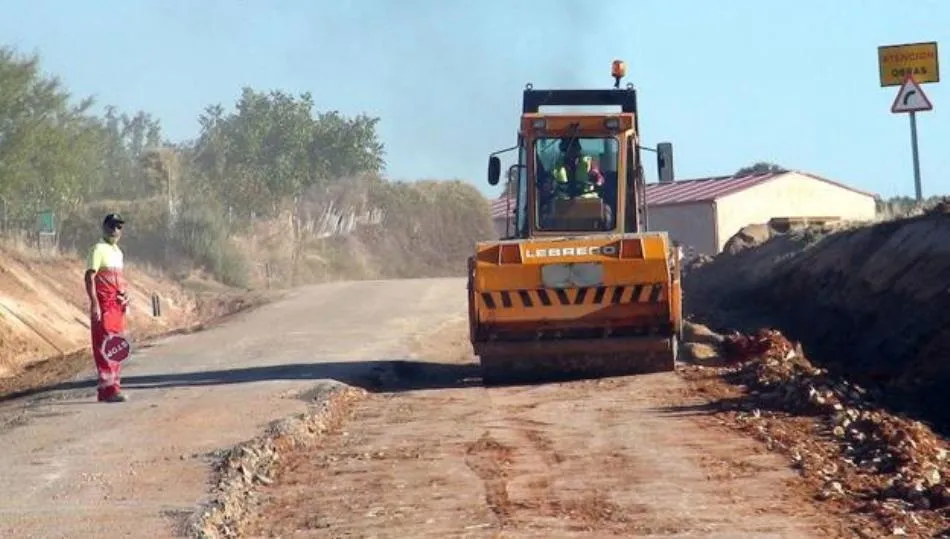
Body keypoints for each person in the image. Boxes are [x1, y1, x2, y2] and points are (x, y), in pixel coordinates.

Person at [84, 213, 130, 403]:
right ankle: (111, 389)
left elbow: (118, 280)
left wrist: (125, 294)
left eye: (118, 227)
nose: (115, 230)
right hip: (103, 306)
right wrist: (94, 303)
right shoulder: (98, 249)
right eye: (111, 226)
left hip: (117, 308)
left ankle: (107, 391)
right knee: (105, 348)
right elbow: (89, 277)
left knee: (116, 347)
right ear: (104, 227)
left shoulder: (118, 253)